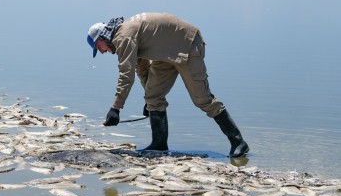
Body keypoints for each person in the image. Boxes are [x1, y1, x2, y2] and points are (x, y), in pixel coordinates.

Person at [87, 12, 249, 158]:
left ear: (102, 38)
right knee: (153, 96)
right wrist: (149, 102)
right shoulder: (123, 36)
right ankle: (159, 146)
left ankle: (238, 142)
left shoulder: (124, 38)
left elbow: (126, 75)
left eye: (98, 48)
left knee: (202, 99)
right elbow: (141, 69)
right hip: (165, 55)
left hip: (188, 45)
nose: (101, 52)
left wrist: (116, 108)